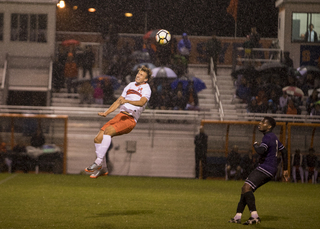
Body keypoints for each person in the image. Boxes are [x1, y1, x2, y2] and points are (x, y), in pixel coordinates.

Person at [84, 66, 152, 178]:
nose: (138, 75)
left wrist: (127, 100)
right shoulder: (130, 85)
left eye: (141, 75)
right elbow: (118, 101)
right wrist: (107, 112)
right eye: (138, 73)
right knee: (97, 139)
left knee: (108, 131)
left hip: (130, 119)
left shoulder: (146, 88)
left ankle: (98, 162)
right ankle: (103, 169)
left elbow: (141, 102)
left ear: (145, 79)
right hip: (120, 116)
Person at [228, 117, 288, 225]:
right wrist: (285, 170)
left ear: (269, 126)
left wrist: (255, 144)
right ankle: (237, 216)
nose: (260, 124)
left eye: (263, 122)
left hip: (266, 167)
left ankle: (254, 216)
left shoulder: (267, 137)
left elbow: (261, 151)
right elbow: (284, 151)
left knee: (247, 187)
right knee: (245, 189)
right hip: (271, 169)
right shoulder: (273, 137)